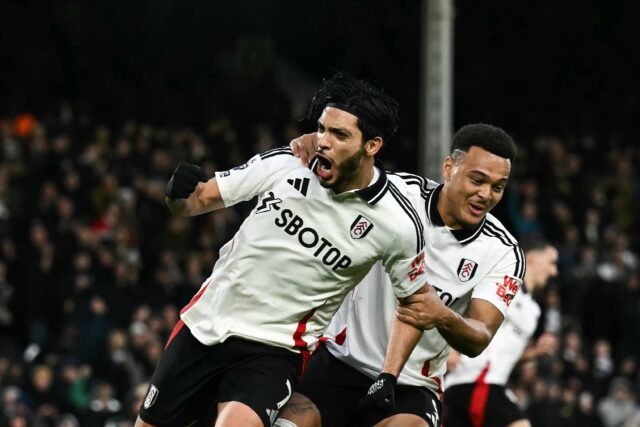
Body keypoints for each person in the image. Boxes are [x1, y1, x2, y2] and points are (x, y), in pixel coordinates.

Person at [135, 72, 430, 427]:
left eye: (340, 135)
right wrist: (177, 194)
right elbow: (197, 201)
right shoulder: (286, 165)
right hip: (204, 325)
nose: (324, 142)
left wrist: (390, 374)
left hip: (274, 349)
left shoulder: (396, 224)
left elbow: (415, 302)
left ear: (372, 146)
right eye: (322, 129)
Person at [280, 123, 523, 427]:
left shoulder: (503, 252)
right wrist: (317, 146)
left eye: (497, 187)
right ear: (449, 168)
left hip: (411, 387)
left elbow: (480, 337)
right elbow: (337, 171)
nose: (485, 195)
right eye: (477, 180)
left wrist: (442, 316)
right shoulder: (395, 193)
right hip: (340, 360)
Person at [443, 237, 559, 427]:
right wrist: (448, 349)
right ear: (531, 258)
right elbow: (455, 306)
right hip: (471, 383)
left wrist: (534, 353)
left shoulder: (533, 311)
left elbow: (504, 357)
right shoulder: (500, 284)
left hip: (488, 385)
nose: (555, 272)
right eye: (551, 263)